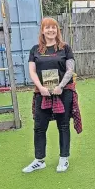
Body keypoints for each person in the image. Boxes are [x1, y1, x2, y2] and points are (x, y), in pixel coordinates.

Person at [23, 17, 82, 173]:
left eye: (53, 27)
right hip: (42, 93)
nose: (50, 30)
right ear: (42, 30)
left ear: (57, 30)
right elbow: (32, 71)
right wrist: (40, 87)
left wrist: (61, 86)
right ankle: (39, 160)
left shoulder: (65, 48)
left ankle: (64, 159)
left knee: (63, 125)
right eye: (47, 28)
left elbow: (70, 70)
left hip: (63, 92)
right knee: (39, 127)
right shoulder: (35, 50)